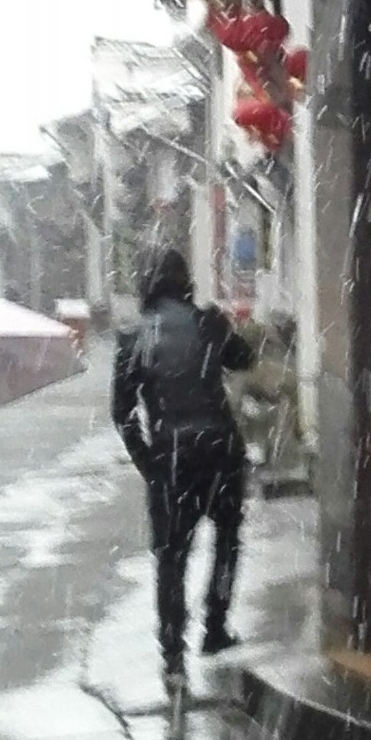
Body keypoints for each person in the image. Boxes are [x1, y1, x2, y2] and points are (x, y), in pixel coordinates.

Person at [111, 249, 255, 692]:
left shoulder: (134, 337)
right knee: (227, 540)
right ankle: (215, 626)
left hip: (171, 459)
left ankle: (173, 652)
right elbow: (244, 358)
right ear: (185, 281)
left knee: (171, 556)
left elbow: (121, 412)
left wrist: (148, 462)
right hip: (220, 450)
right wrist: (223, 329)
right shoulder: (207, 323)